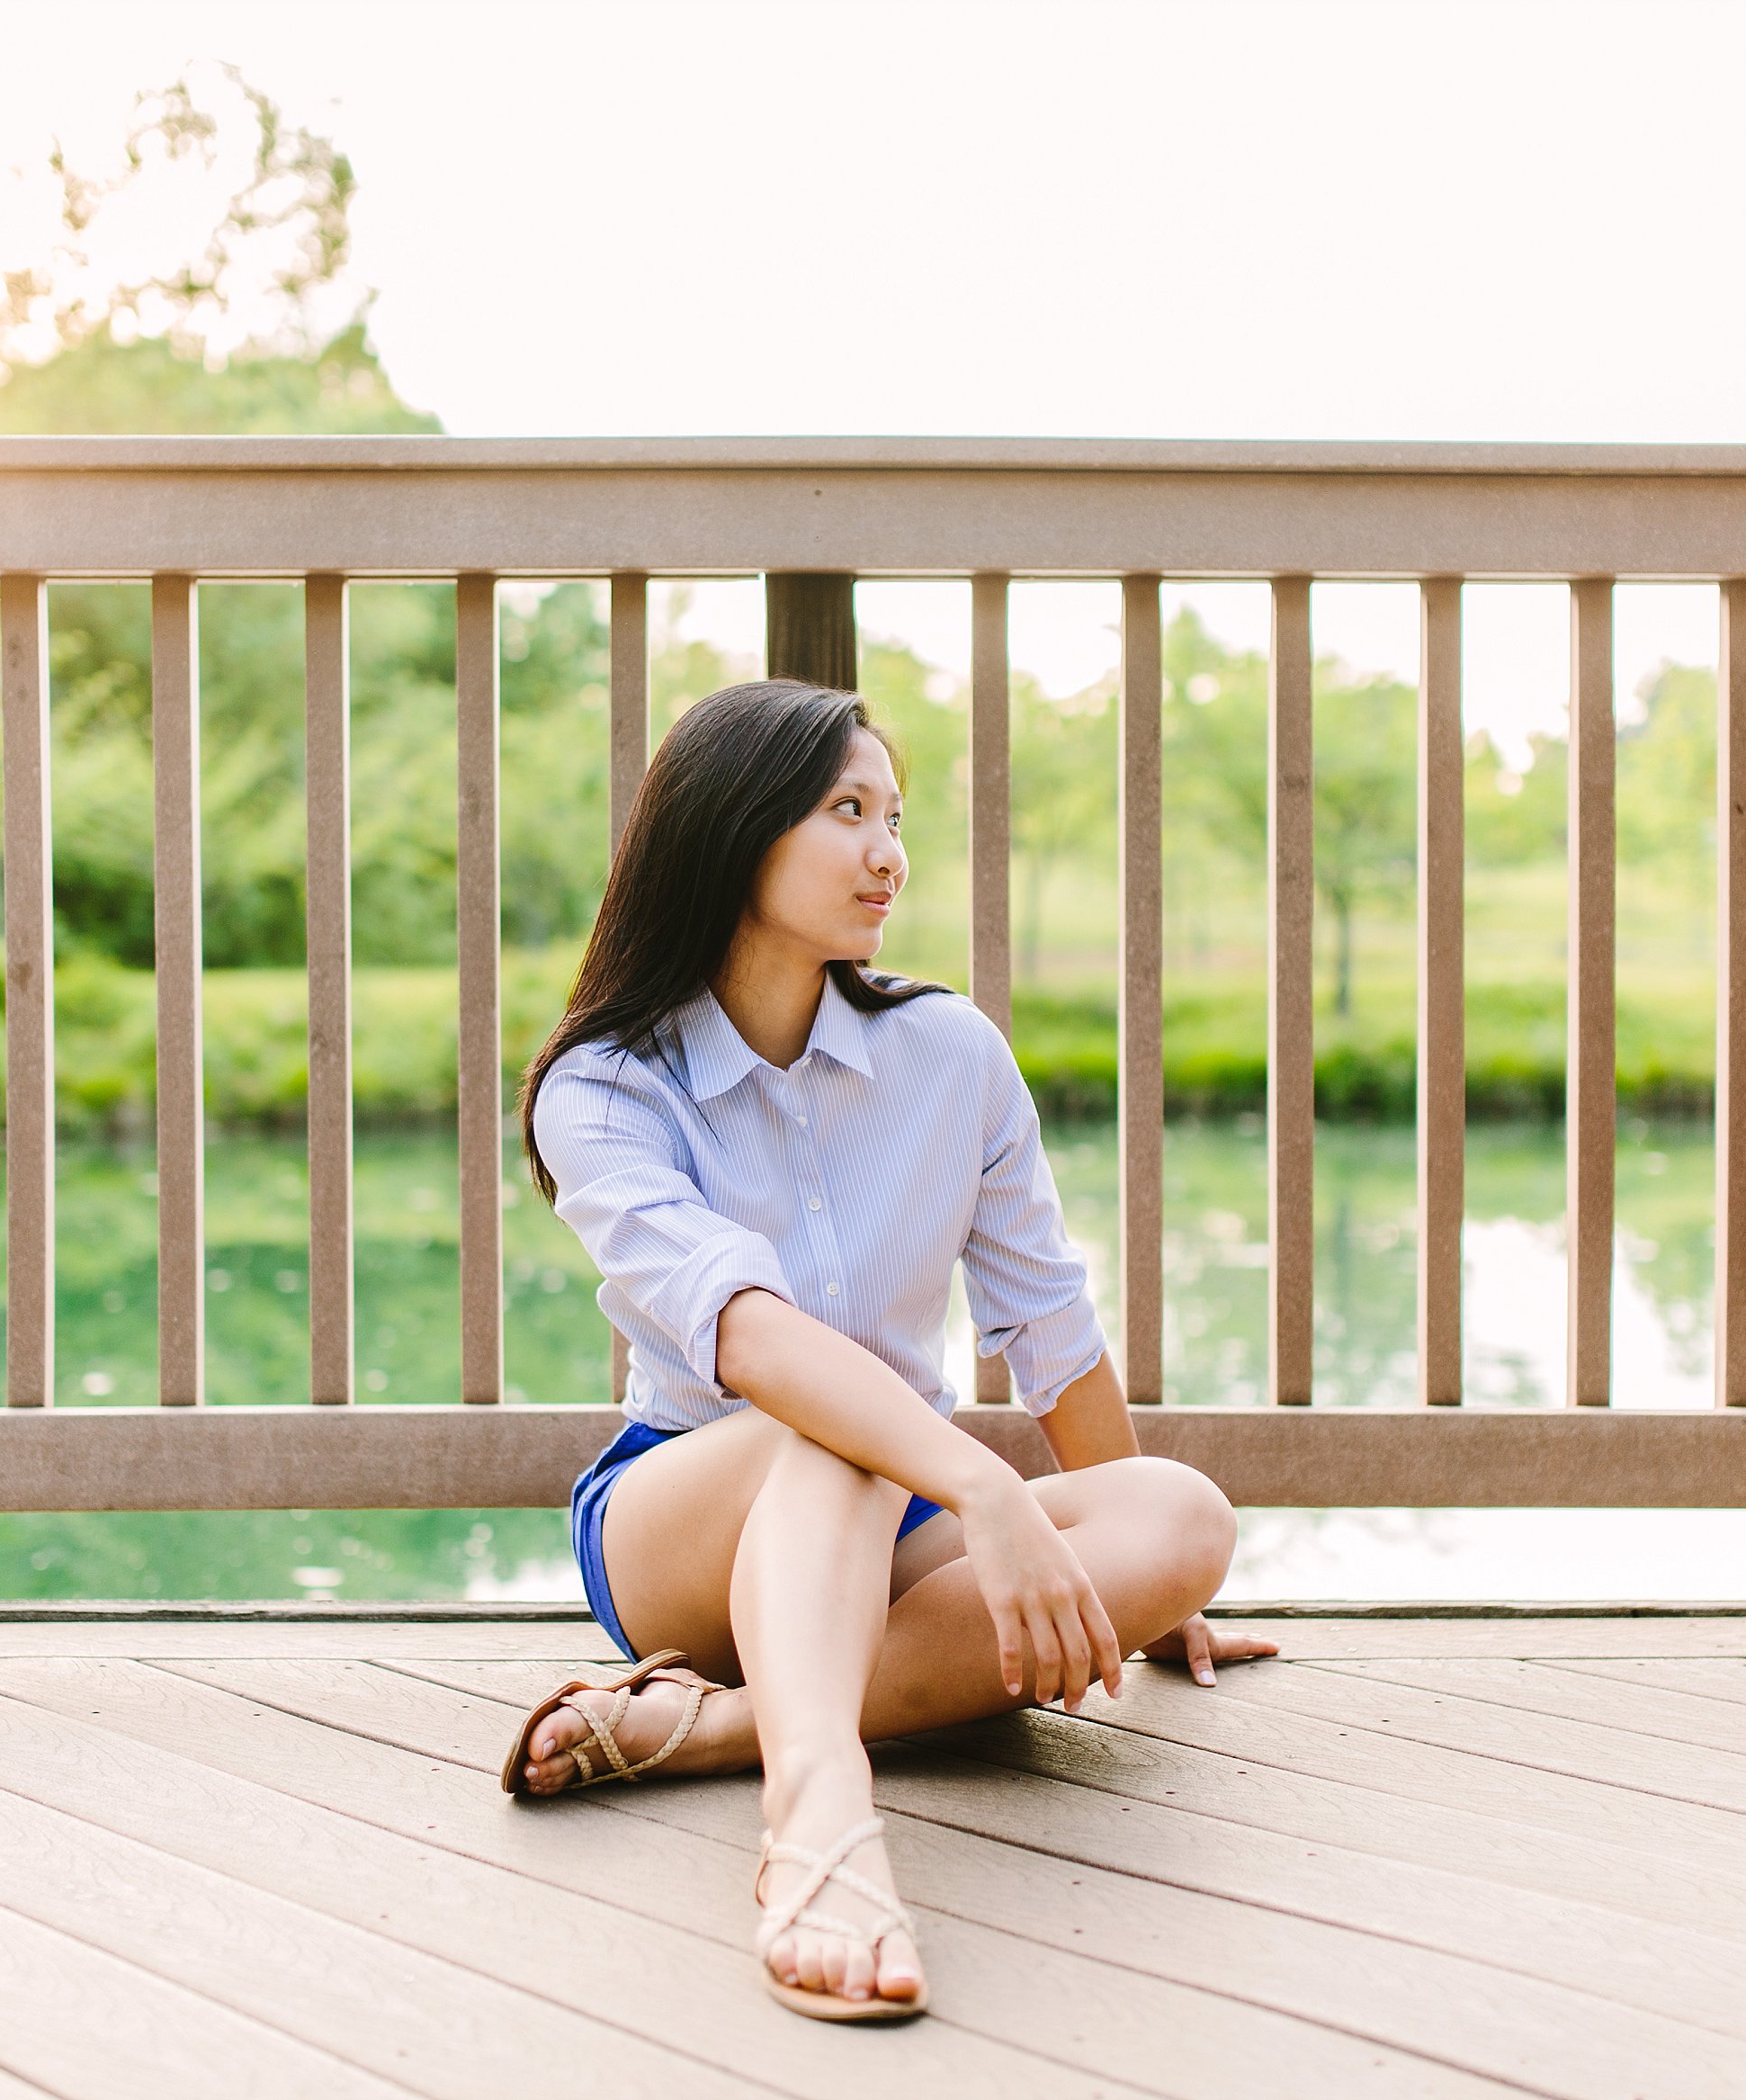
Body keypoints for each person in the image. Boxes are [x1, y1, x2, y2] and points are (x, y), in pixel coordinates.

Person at [504, 677, 1276, 2023]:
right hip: (683, 1503)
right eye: (846, 810)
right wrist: (983, 1486)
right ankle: (816, 1819)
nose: (890, 853)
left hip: (899, 1505)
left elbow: (1046, 1321)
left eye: (895, 815)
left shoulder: (950, 1054)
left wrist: (1150, 1600)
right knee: (832, 1421)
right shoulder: (607, 1086)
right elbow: (746, 1339)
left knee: (1182, 1514)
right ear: (732, 831)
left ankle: (710, 1728)